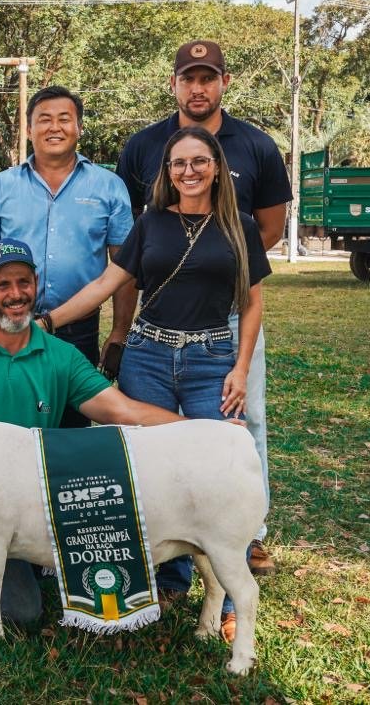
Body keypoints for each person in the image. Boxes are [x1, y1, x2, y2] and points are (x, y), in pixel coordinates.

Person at [0, 239, 183, 624]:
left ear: (36, 284)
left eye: (23, 282)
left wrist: (200, 429)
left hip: (32, 509)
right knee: (18, 613)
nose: (15, 294)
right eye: (3, 285)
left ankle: (30, 562)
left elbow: (124, 411)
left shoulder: (60, 356)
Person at [51, 126, 271, 641]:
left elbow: (253, 303)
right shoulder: (151, 223)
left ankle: (226, 598)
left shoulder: (239, 226)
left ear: (216, 166)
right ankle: (167, 581)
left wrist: (239, 368)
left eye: (198, 162)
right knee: (141, 467)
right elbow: (108, 284)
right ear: (167, 172)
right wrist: (49, 322)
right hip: (148, 356)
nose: (188, 172)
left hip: (211, 357)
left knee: (215, 472)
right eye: (178, 164)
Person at [116, 40, 291, 576]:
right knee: (158, 440)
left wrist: (222, 262)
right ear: (174, 83)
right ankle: (170, 552)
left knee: (241, 423)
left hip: (232, 307)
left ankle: (247, 535)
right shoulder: (143, 146)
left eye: (208, 78)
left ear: (224, 82)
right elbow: (133, 242)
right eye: (188, 78)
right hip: (161, 322)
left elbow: (270, 228)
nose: (198, 88)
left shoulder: (257, 146)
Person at [0, 86, 134, 428]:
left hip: (79, 330)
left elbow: (125, 268)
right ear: (29, 129)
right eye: (44, 120)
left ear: (79, 128)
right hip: (10, 323)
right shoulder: (2, 186)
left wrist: (119, 332)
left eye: (64, 119)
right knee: (9, 420)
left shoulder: (109, 186)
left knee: (73, 424)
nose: (54, 127)